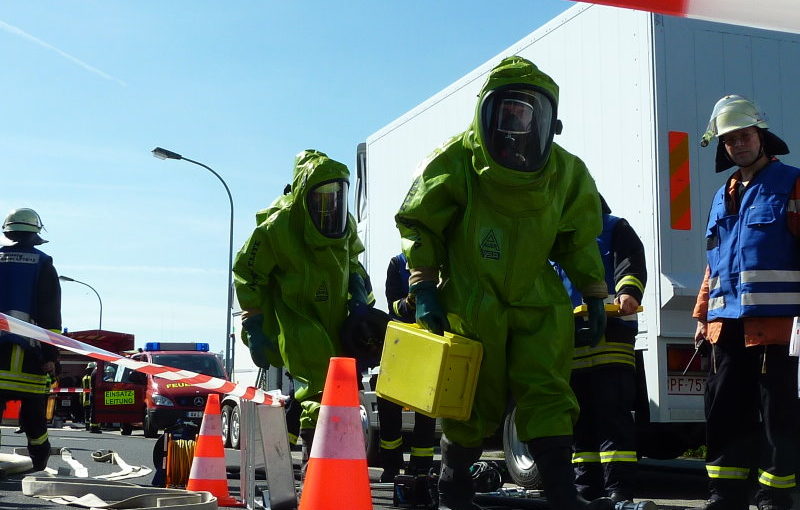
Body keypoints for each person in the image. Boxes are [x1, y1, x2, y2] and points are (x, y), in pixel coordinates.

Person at [395, 56, 613, 510]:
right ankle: (453, 488)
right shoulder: (455, 161)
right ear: (487, 113)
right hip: (474, 301)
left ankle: (561, 495)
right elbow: (421, 225)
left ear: (546, 120)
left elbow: (577, 238)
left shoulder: (566, 173)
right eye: (508, 112)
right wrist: (424, 287)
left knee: (549, 391)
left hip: (539, 301)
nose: (516, 124)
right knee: (472, 400)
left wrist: (594, 292)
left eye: (525, 113)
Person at [233, 149, 371, 474]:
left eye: (336, 196)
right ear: (305, 196)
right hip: (298, 317)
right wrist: (254, 325)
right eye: (322, 198)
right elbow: (248, 273)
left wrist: (360, 293)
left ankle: (326, 463)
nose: (330, 206)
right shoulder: (278, 226)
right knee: (317, 385)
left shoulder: (344, 225)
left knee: (341, 388)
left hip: (338, 318)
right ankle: (317, 464)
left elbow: (353, 260)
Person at [693, 95, 800, 510]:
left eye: (745, 136)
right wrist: (702, 315)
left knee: (779, 416)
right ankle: (725, 494)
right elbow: (713, 262)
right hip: (725, 325)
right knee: (724, 412)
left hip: (776, 327)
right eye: (730, 139)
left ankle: (775, 495)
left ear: (762, 136)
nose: (738, 144)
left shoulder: (791, 183)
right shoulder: (723, 195)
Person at [555, 195, 647, 503]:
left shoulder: (613, 228)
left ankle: (619, 492)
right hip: (573, 342)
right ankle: (587, 491)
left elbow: (630, 262)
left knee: (613, 417)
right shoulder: (561, 238)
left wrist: (629, 292)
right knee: (580, 422)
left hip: (612, 339)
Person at [0, 207, 61, 471]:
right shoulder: (43, 264)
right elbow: (50, 317)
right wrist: (51, 357)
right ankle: (38, 464)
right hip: (30, 357)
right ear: (35, 235)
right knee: (34, 418)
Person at [376, 252, 437, 482]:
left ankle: (421, 467)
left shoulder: (439, 260)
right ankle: (391, 466)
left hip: (429, 345)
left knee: (426, 407)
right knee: (388, 404)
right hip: (401, 345)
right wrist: (409, 302)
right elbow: (393, 305)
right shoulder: (398, 263)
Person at [81, 362, 101, 433]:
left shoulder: (84, 378)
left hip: (85, 398)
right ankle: (92, 426)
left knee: (87, 414)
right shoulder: (92, 376)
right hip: (90, 398)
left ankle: (88, 426)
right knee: (91, 412)